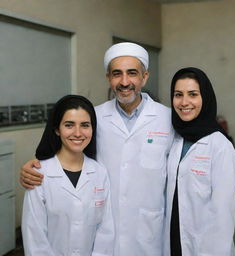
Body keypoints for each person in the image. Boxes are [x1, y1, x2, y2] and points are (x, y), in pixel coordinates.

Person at [20, 42, 174, 256]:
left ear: (145, 77)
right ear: (108, 78)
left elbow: (180, 170)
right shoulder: (94, 117)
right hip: (99, 230)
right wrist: (32, 168)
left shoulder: (167, 119)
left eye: (132, 73)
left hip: (148, 231)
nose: (124, 82)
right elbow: (68, 149)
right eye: (117, 74)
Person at [22, 95, 114, 256]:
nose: (78, 133)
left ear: (93, 129)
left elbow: (105, 231)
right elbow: (35, 237)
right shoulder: (38, 175)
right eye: (69, 125)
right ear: (57, 129)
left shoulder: (100, 173)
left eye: (85, 125)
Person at [164, 67, 235, 256]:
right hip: (173, 241)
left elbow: (223, 214)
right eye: (178, 94)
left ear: (205, 98)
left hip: (205, 246)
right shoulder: (174, 139)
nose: (184, 102)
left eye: (193, 94)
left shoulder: (220, 146)